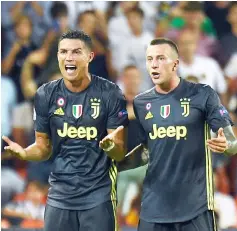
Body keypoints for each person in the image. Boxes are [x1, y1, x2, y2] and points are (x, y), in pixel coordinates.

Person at [2, 29, 129, 231]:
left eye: (76, 52)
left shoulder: (110, 93)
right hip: (59, 197)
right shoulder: (45, 94)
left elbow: (120, 151)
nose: (68, 57)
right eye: (63, 52)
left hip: (98, 197)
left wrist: (110, 146)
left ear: (90, 56)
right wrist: (25, 152)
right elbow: (43, 147)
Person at [132, 38, 237, 231]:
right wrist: (112, 153)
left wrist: (227, 145)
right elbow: (143, 153)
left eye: (161, 58)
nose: (154, 64)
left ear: (175, 64)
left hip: (195, 208)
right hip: (153, 209)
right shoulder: (140, 103)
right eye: (149, 59)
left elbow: (232, 142)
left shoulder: (203, 94)